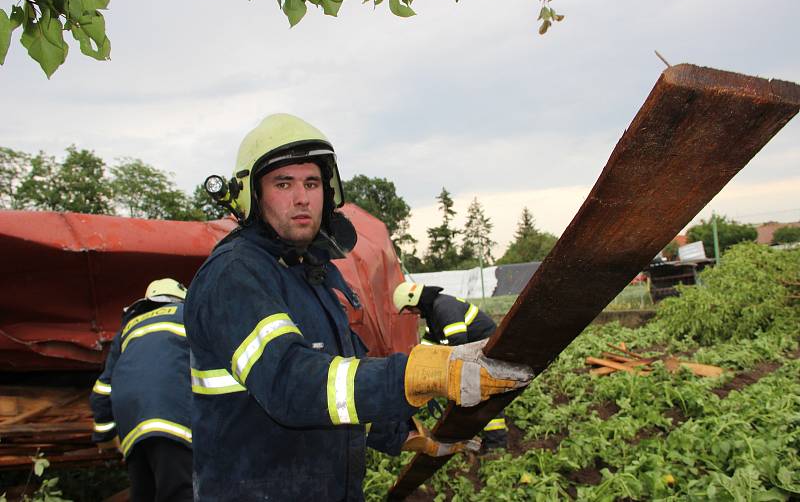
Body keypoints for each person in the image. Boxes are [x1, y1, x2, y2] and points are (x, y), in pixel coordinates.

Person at [184, 113, 534, 500]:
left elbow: (336, 389)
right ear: (252, 194)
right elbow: (291, 384)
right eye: (284, 183)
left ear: (328, 192)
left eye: (312, 183)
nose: (302, 198)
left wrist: (407, 435)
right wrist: (418, 373)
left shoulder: (309, 276)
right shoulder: (235, 275)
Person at [90, 278, 193, 502]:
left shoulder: (128, 329)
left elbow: (102, 390)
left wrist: (105, 436)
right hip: (173, 420)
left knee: (144, 494)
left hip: (132, 430)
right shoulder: (188, 315)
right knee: (180, 493)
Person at [393, 281, 510, 450]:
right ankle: (469, 434)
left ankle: (496, 444)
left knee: (484, 394)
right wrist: (416, 369)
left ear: (415, 302)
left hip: (487, 352)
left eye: (410, 309)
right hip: (474, 353)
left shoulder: (444, 308)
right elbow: (428, 349)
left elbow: (458, 344)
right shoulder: (433, 316)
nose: (412, 313)